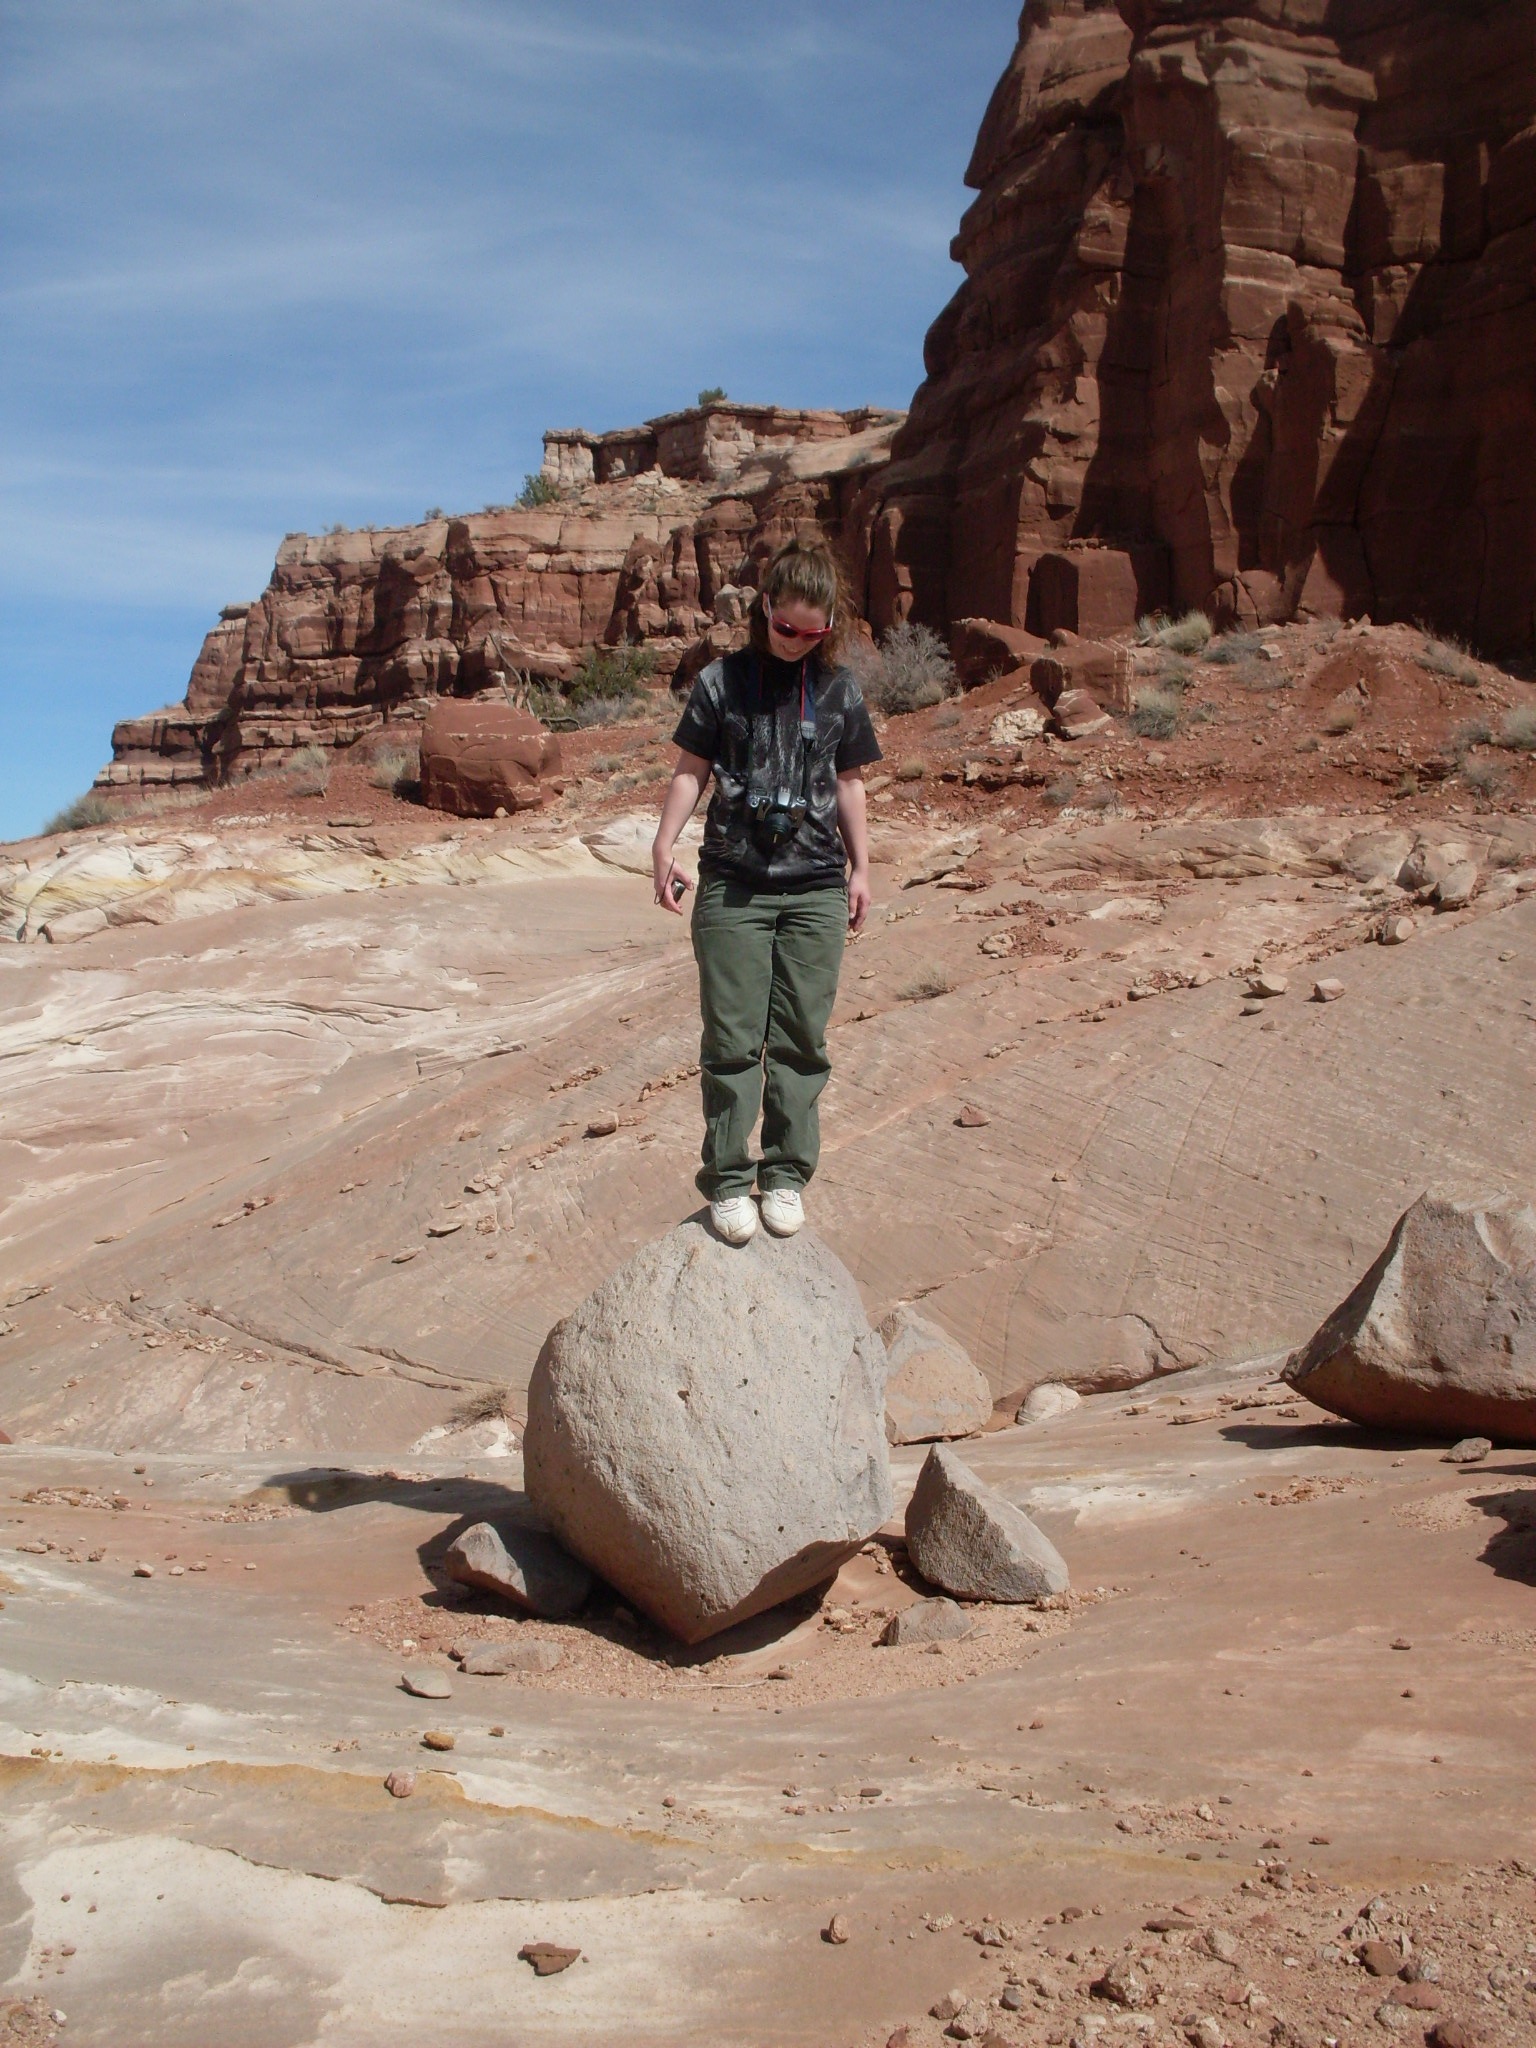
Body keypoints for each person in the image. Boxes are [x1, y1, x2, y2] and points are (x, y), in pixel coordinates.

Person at [651, 537, 882, 1245]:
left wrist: (862, 867)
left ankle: (785, 1174)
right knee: (732, 1039)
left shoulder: (839, 690)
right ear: (765, 609)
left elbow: (849, 783)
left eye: (813, 633)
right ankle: (728, 1180)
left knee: (802, 1040)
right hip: (734, 887)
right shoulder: (721, 682)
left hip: (814, 889)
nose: (796, 642)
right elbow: (690, 770)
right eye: (786, 627)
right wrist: (663, 844)